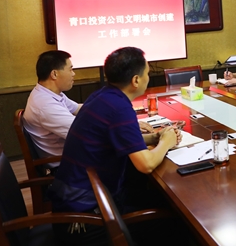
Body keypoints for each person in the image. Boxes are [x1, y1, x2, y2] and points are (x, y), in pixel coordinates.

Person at [50, 47, 182, 245]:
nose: (148, 78)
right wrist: (166, 142)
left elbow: (114, 139)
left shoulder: (102, 96)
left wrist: (154, 138)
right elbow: (145, 165)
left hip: (77, 202)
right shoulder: (119, 107)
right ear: (136, 80)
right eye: (147, 73)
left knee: (153, 195)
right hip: (85, 220)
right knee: (176, 222)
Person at [23, 50, 81, 167]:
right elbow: (84, 132)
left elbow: (77, 108)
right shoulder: (45, 105)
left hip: (73, 155)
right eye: (70, 69)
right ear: (54, 74)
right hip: (67, 166)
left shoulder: (50, 93)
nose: (73, 74)